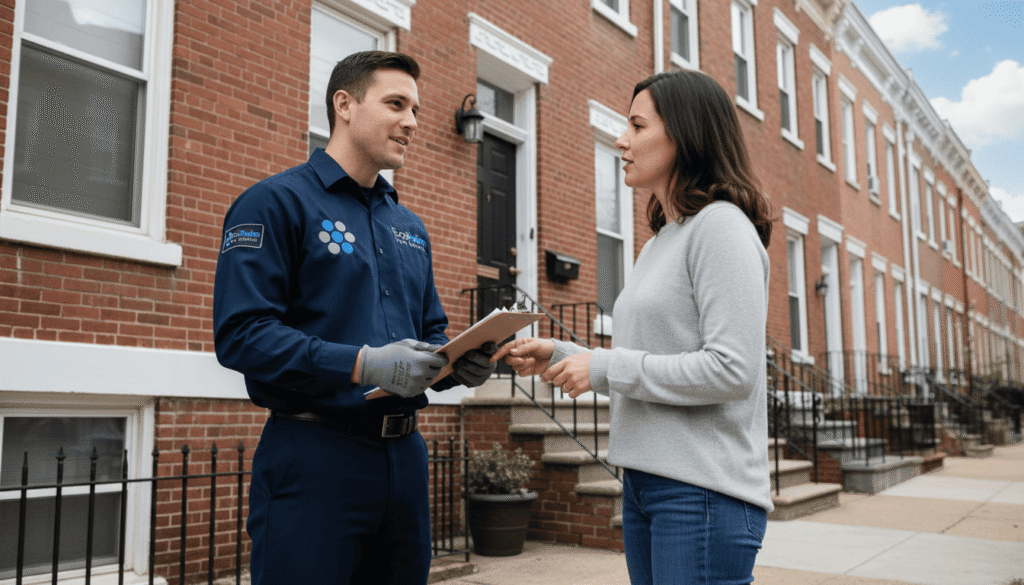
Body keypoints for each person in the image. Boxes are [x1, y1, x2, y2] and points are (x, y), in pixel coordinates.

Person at [213, 51, 496, 585]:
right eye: (396, 104)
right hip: (315, 457)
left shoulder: (409, 226)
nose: (412, 122)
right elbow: (242, 335)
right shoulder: (274, 203)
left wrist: (457, 364)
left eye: (415, 109)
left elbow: (430, 333)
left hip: (406, 462)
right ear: (344, 105)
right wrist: (363, 364)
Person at [493, 70, 774, 585]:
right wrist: (562, 354)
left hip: (702, 491)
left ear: (685, 135)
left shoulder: (721, 227)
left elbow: (733, 371)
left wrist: (603, 365)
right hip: (647, 483)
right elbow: (652, 355)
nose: (622, 140)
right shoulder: (662, 241)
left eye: (637, 126)